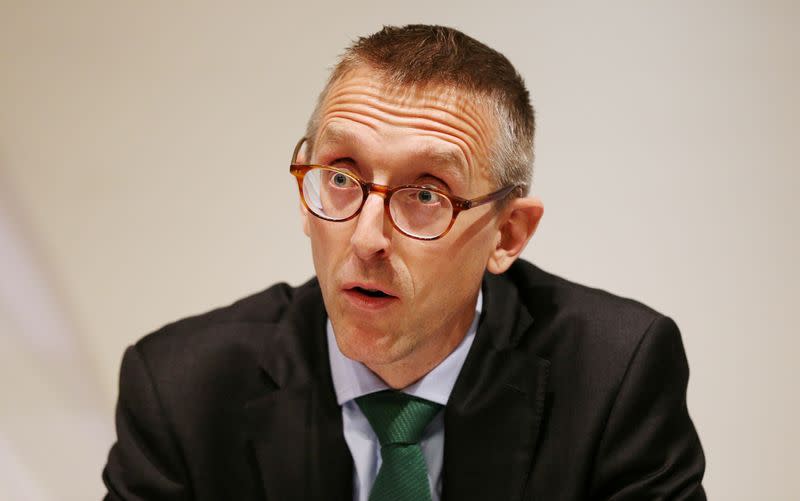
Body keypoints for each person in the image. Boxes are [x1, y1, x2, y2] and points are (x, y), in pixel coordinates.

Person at [103, 24, 705, 500]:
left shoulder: (614, 376)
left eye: (425, 195)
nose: (367, 239)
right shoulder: (181, 391)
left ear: (507, 234)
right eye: (341, 176)